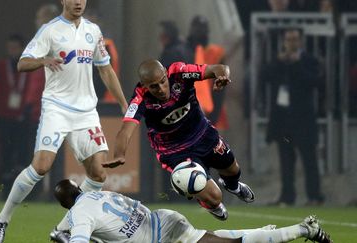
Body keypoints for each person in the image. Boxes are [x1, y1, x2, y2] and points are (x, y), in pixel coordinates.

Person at [0, 0, 128, 242]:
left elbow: (105, 70)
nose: (78, 2)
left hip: (86, 112)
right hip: (57, 108)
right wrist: (43, 61)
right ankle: (2, 220)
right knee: (41, 166)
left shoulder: (93, 31)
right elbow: (23, 63)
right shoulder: (49, 30)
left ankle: (63, 229)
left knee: (98, 174)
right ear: (63, 0)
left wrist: (124, 104)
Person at [103, 59, 254, 221]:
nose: (161, 89)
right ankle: (208, 203)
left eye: (163, 82)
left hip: (203, 134)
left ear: (166, 74)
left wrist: (222, 77)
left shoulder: (180, 72)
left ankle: (233, 186)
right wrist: (119, 154)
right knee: (215, 197)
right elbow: (125, 130)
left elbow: (220, 68)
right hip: (175, 151)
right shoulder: (140, 98)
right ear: (144, 86)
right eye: (154, 86)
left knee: (233, 171)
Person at [49, 179, 332, 243]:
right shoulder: (95, 195)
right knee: (212, 236)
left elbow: (76, 234)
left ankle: (304, 229)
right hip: (162, 218)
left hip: (161, 236)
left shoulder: (79, 216)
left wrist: (63, 236)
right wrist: (58, 233)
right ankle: (261, 232)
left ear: (64, 204)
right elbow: (64, 226)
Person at [261, 28, 324, 206]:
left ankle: (314, 196)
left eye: (295, 39)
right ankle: (288, 197)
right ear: (284, 42)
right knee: (286, 161)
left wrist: (296, 64)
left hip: (303, 120)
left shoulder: (309, 61)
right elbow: (264, 76)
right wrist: (278, 62)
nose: (292, 43)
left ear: (301, 41)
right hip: (284, 122)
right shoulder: (279, 61)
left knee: (309, 160)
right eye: (288, 39)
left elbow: (315, 82)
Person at [0, 34, 44, 197]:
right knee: (5, 153)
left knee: (23, 154)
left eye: (15, 48)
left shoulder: (29, 66)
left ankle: (23, 191)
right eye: (10, 48)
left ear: (21, 49)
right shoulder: (1, 66)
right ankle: (3, 190)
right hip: (4, 118)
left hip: (23, 117)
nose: (12, 51)